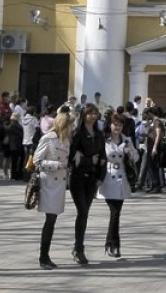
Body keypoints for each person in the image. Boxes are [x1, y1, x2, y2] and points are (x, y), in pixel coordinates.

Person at [34, 110, 73, 269]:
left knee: (52, 221)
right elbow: (37, 161)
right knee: (49, 221)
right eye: (70, 125)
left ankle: (45, 256)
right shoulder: (48, 138)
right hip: (49, 183)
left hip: (60, 184)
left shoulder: (67, 141)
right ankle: (43, 257)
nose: (72, 128)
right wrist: (57, 165)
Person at [67, 105, 105, 264]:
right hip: (78, 178)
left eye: (95, 113)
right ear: (83, 115)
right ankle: (79, 249)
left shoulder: (99, 134)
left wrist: (101, 176)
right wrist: (89, 160)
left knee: (85, 213)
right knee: (82, 211)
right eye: (90, 113)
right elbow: (70, 158)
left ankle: (78, 247)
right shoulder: (77, 134)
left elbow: (103, 157)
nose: (93, 116)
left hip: (92, 179)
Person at [99, 112, 139, 258]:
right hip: (108, 179)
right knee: (115, 213)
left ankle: (112, 244)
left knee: (116, 213)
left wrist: (129, 153)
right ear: (110, 125)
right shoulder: (104, 140)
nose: (118, 127)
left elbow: (136, 156)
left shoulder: (127, 140)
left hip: (122, 180)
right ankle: (112, 245)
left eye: (120, 125)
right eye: (115, 124)